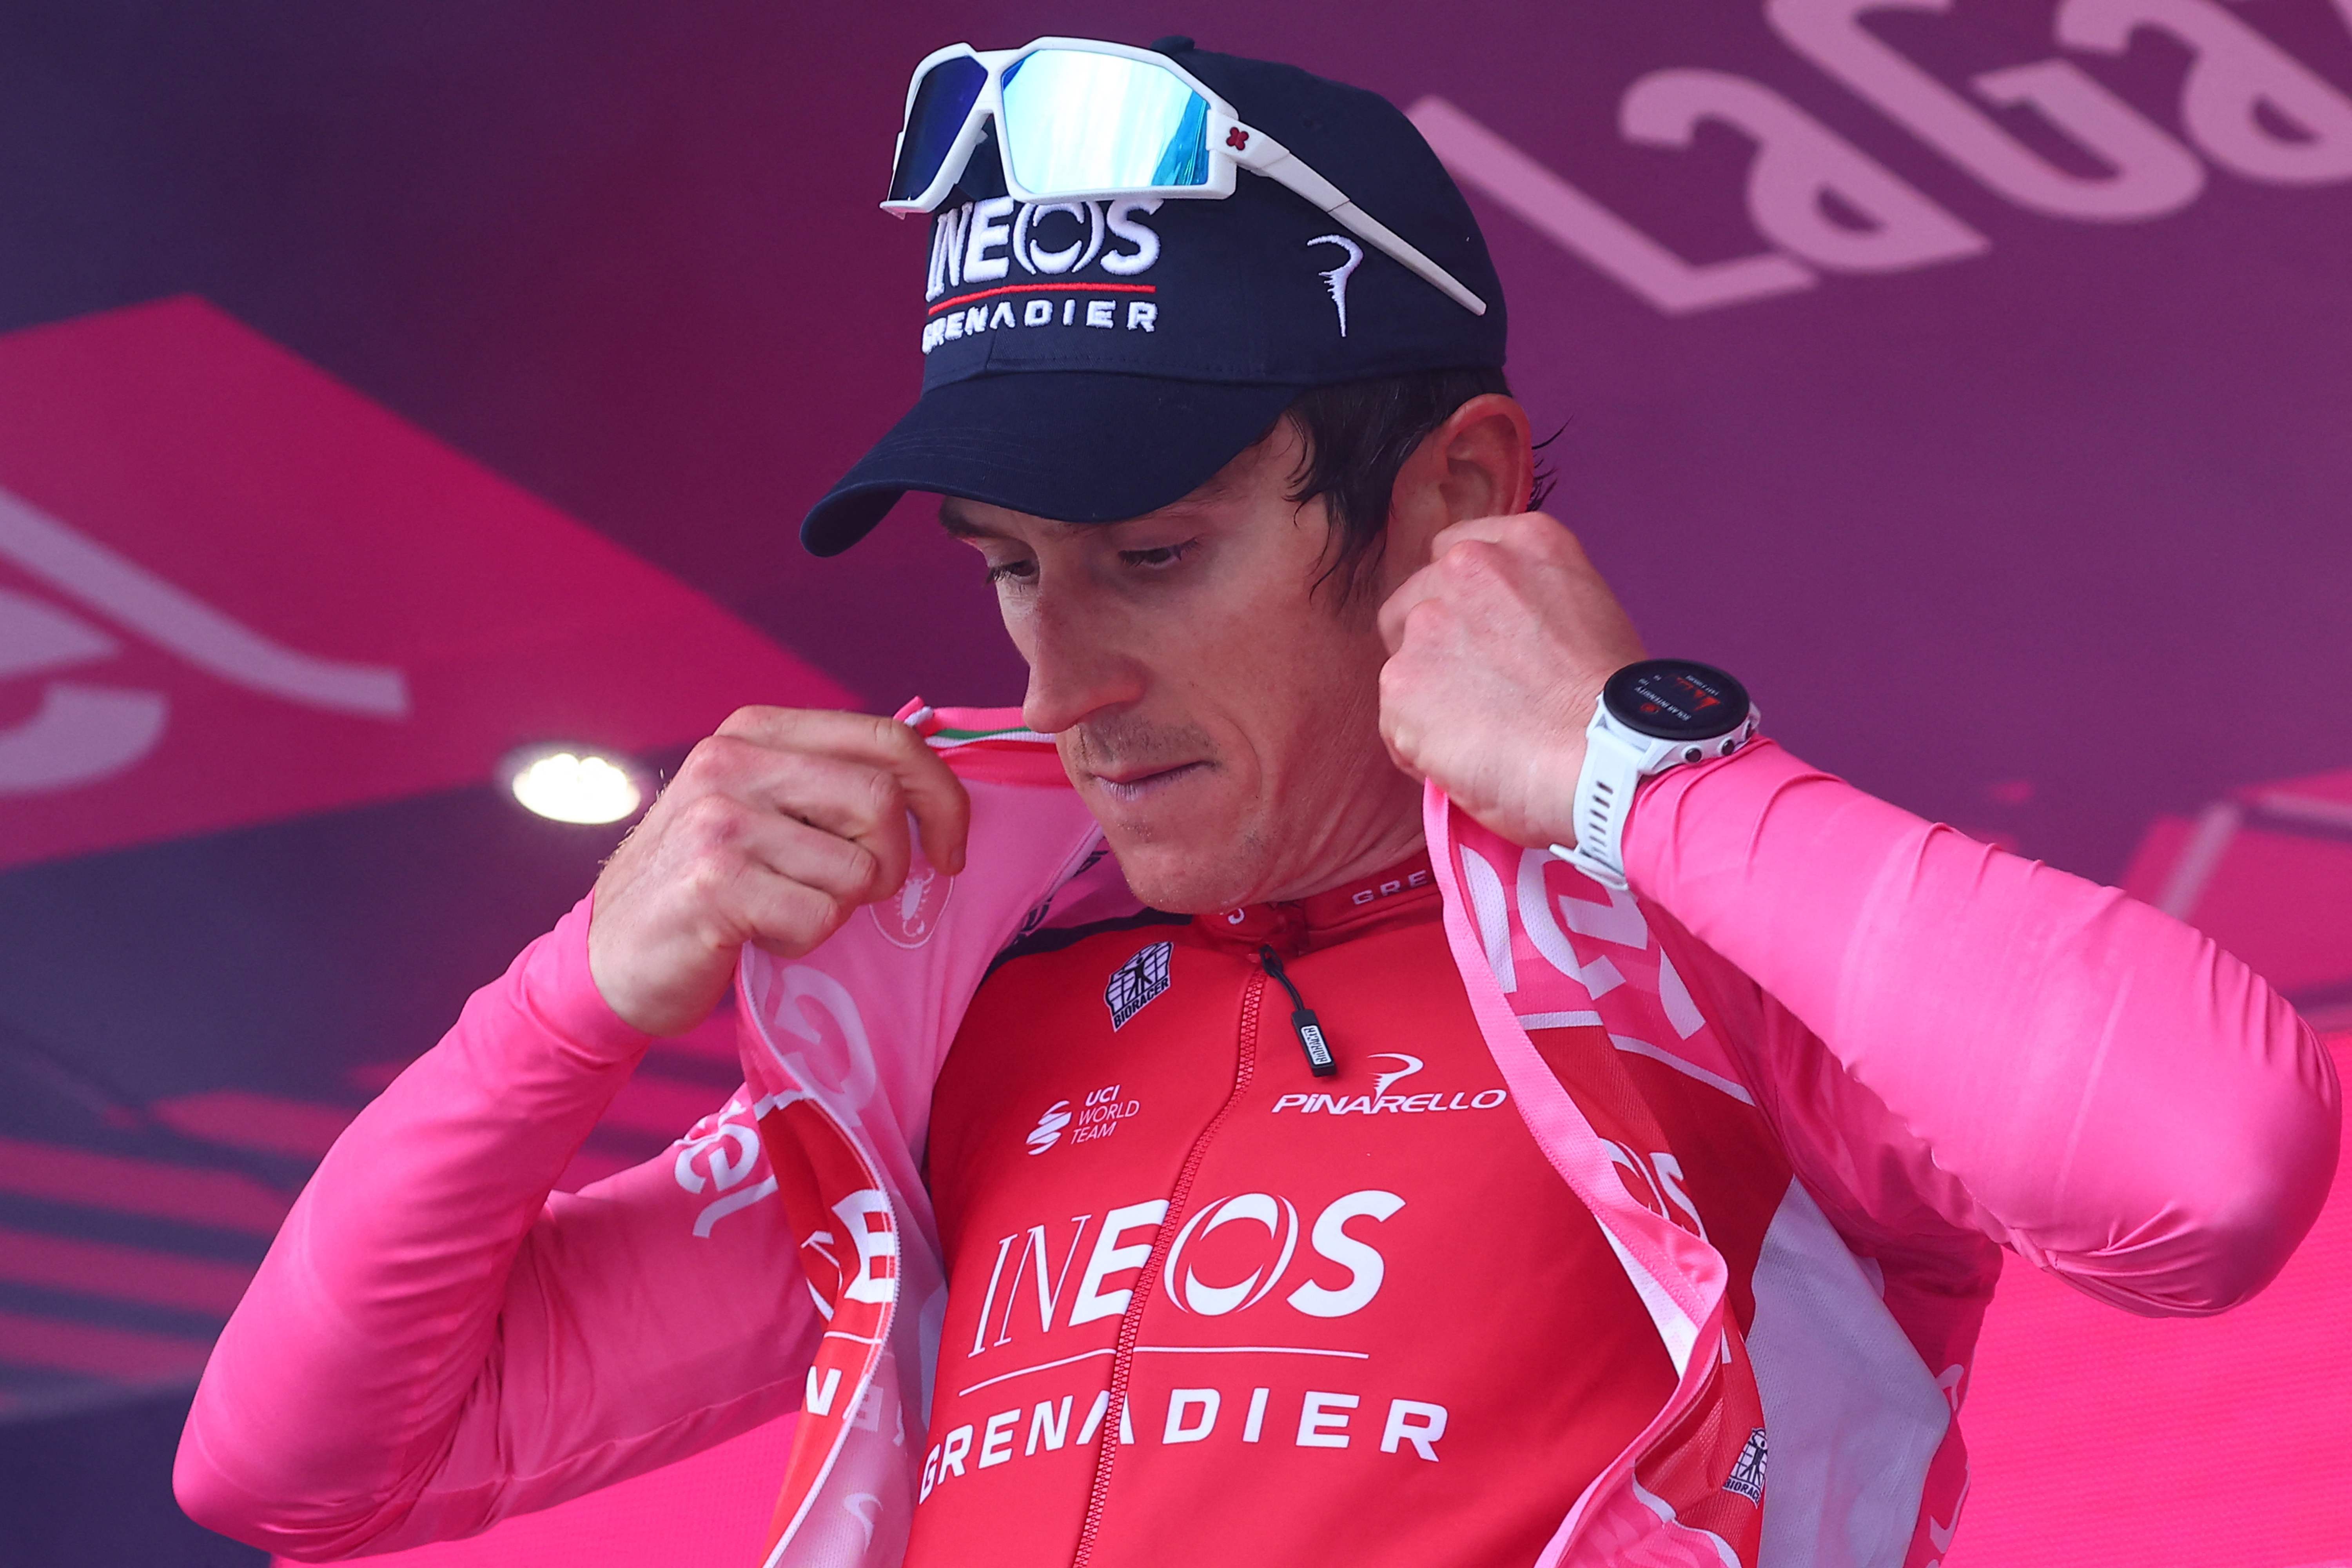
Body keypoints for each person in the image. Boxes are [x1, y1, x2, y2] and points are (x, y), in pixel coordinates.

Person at [175, 36, 2339, 1568]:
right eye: (1012, 567)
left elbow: (2207, 1162)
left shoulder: (1710, 956)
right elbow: (295, 1466)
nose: (1065, 673)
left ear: (1456, 500)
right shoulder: (970, 1026)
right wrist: (574, 998)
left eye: (1156, 551)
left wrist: (1638, 768)